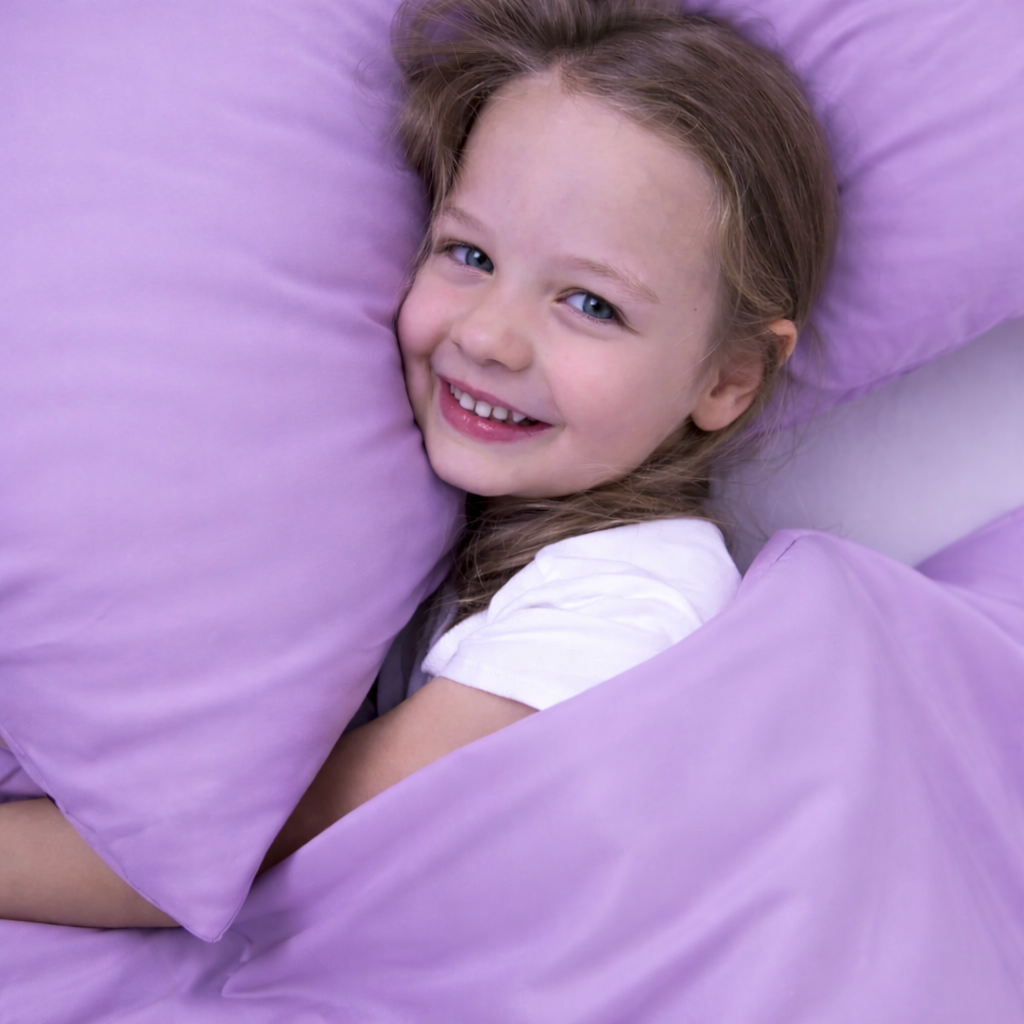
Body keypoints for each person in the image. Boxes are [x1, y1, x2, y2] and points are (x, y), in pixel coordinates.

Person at [0, 0, 837, 928]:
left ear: (730, 376)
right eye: (468, 253)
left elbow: (259, 844)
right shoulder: (418, 511)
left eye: (591, 305)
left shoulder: (636, 597)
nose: (487, 335)